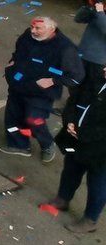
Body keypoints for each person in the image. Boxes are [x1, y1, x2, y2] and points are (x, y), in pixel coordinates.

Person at [1, 17, 85, 162]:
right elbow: (19, 49)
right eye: (32, 27)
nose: (33, 31)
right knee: (13, 115)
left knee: (34, 119)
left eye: (38, 29)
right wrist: (12, 62)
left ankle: (46, 144)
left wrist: (53, 80)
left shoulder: (66, 48)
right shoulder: (29, 34)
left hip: (41, 93)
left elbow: (77, 76)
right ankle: (19, 145)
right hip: (18, 84)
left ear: (52, 29)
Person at [45, 63, 106, 234]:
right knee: (71, 169)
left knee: (98, 183)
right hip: (76, 139)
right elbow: (75, 98)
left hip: (100, 150)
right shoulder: (94, 76)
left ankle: (90, 219)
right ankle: (63, 198)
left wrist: (84, 133)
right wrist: (70, 120)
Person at [75, 0, 106, 74]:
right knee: (75, 85)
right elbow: (78, 19)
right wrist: (88, 6)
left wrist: (100, 12)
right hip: (82, 56)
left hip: (100, 62)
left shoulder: (100, 13)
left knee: (93, 86)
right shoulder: (99, 12)